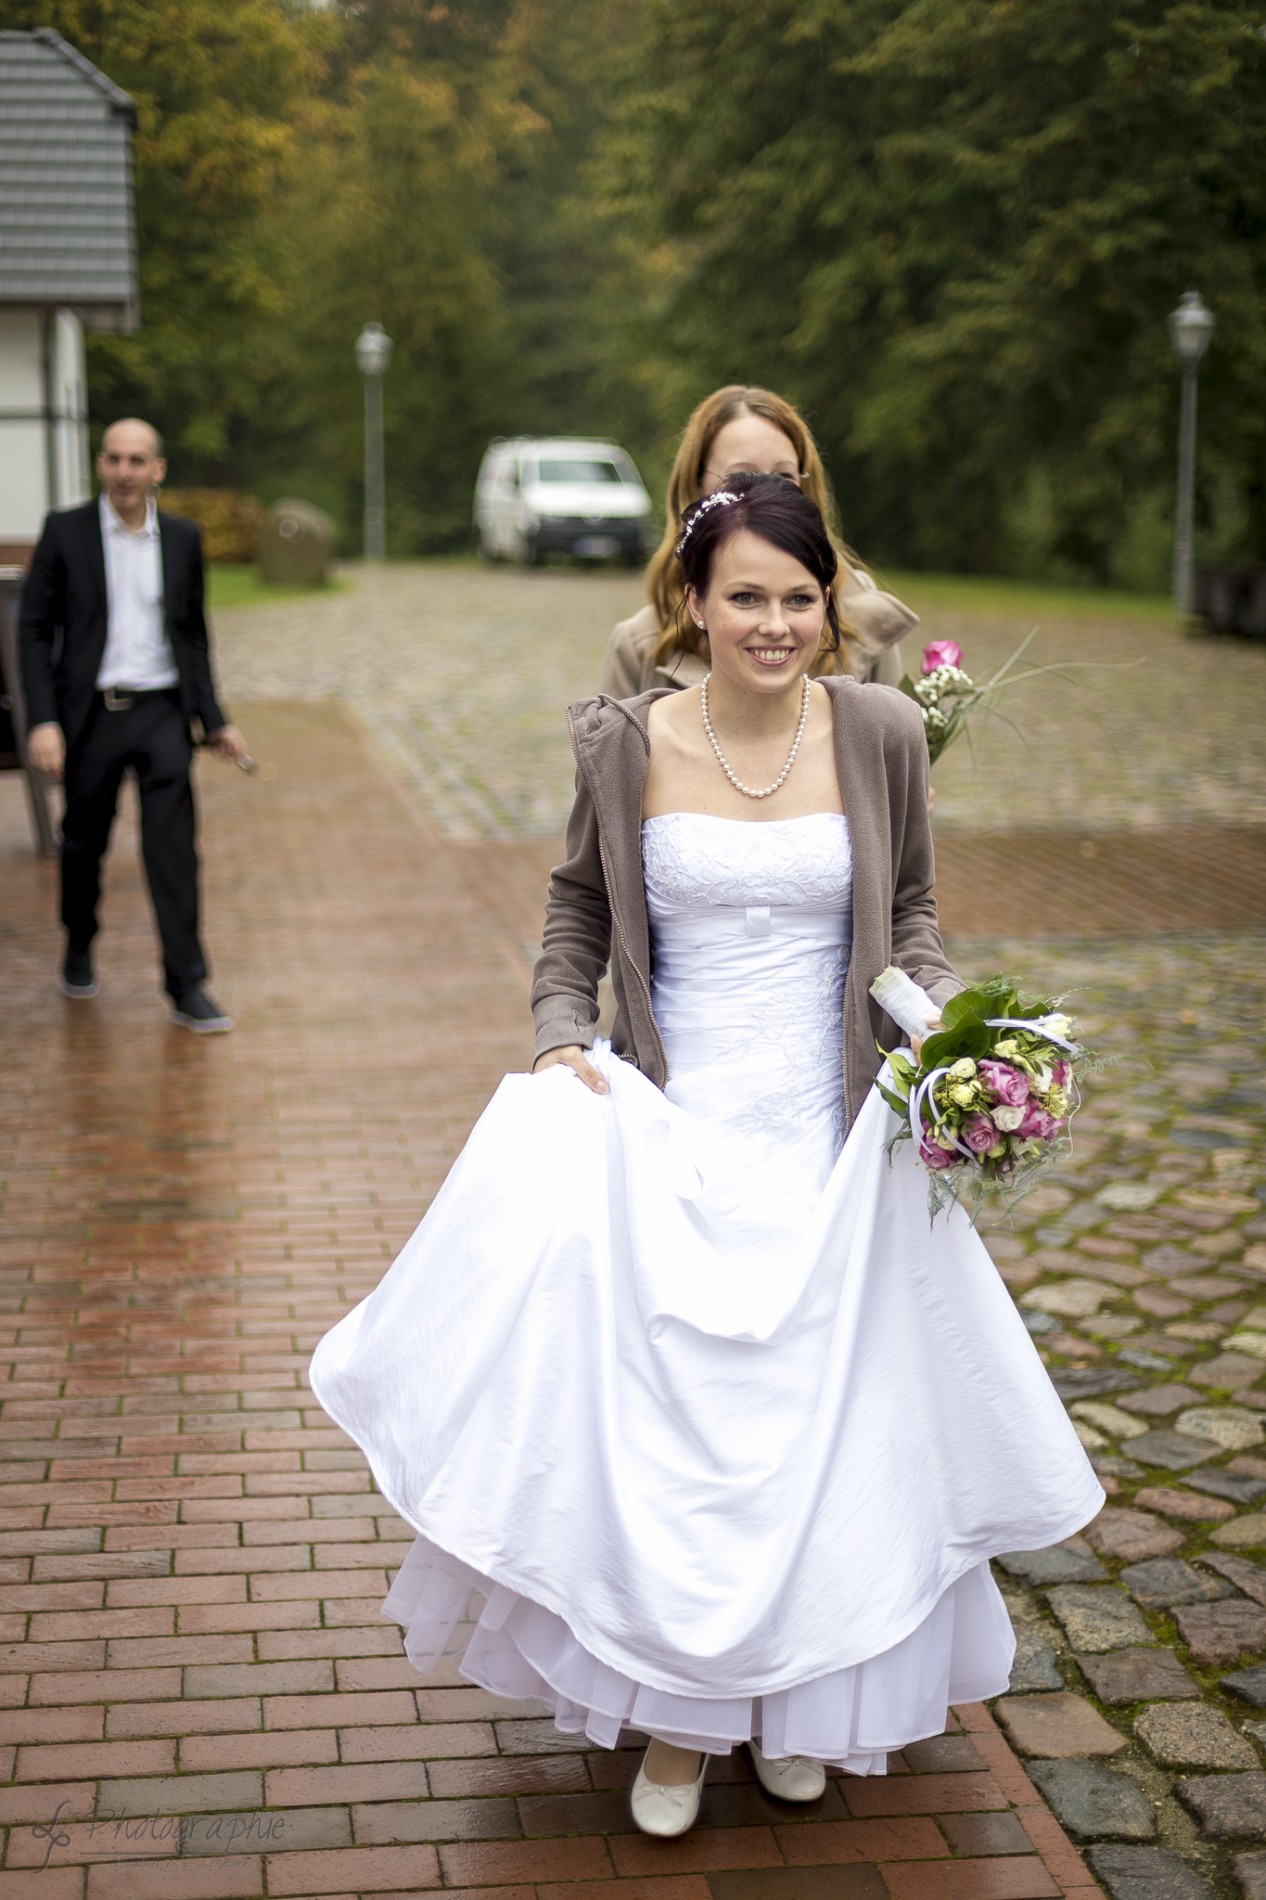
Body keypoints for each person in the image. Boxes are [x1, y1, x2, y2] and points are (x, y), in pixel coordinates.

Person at [310, 476, 1100, 1838]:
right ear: (692, 602)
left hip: (831, 1134)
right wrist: (563, 1040)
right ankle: (676, 1725)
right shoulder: (628, 742)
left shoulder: (878, 732)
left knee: (814, 1437)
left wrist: (957, 1048)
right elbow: (574, 913)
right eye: (747, 596)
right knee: (675, 1440)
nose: (775, 623)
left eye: (801, 599)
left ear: (828, 609)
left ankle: (793, 1710)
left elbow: (907, 914)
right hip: (667, 1133)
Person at [20, 418, 248, 1031]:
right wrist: (43, 721)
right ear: (101, 465)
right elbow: (34, 631)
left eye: (137, 460)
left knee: (173, 853)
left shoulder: (181, 538)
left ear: (157, 470)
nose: (125, 472)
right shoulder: (64, 532)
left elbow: (193, 635)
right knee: (83, 845)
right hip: (91, 716)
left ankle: (186, 984)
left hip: (161, 716)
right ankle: (78, 941)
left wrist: (215, 719)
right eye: (114, 459)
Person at [600, 383, 917, 698]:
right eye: (739, 477)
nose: (765, 495)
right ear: (695, 488)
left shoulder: (866, 619)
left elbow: (892, 745)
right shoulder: (640, 644)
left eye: (784, 478)